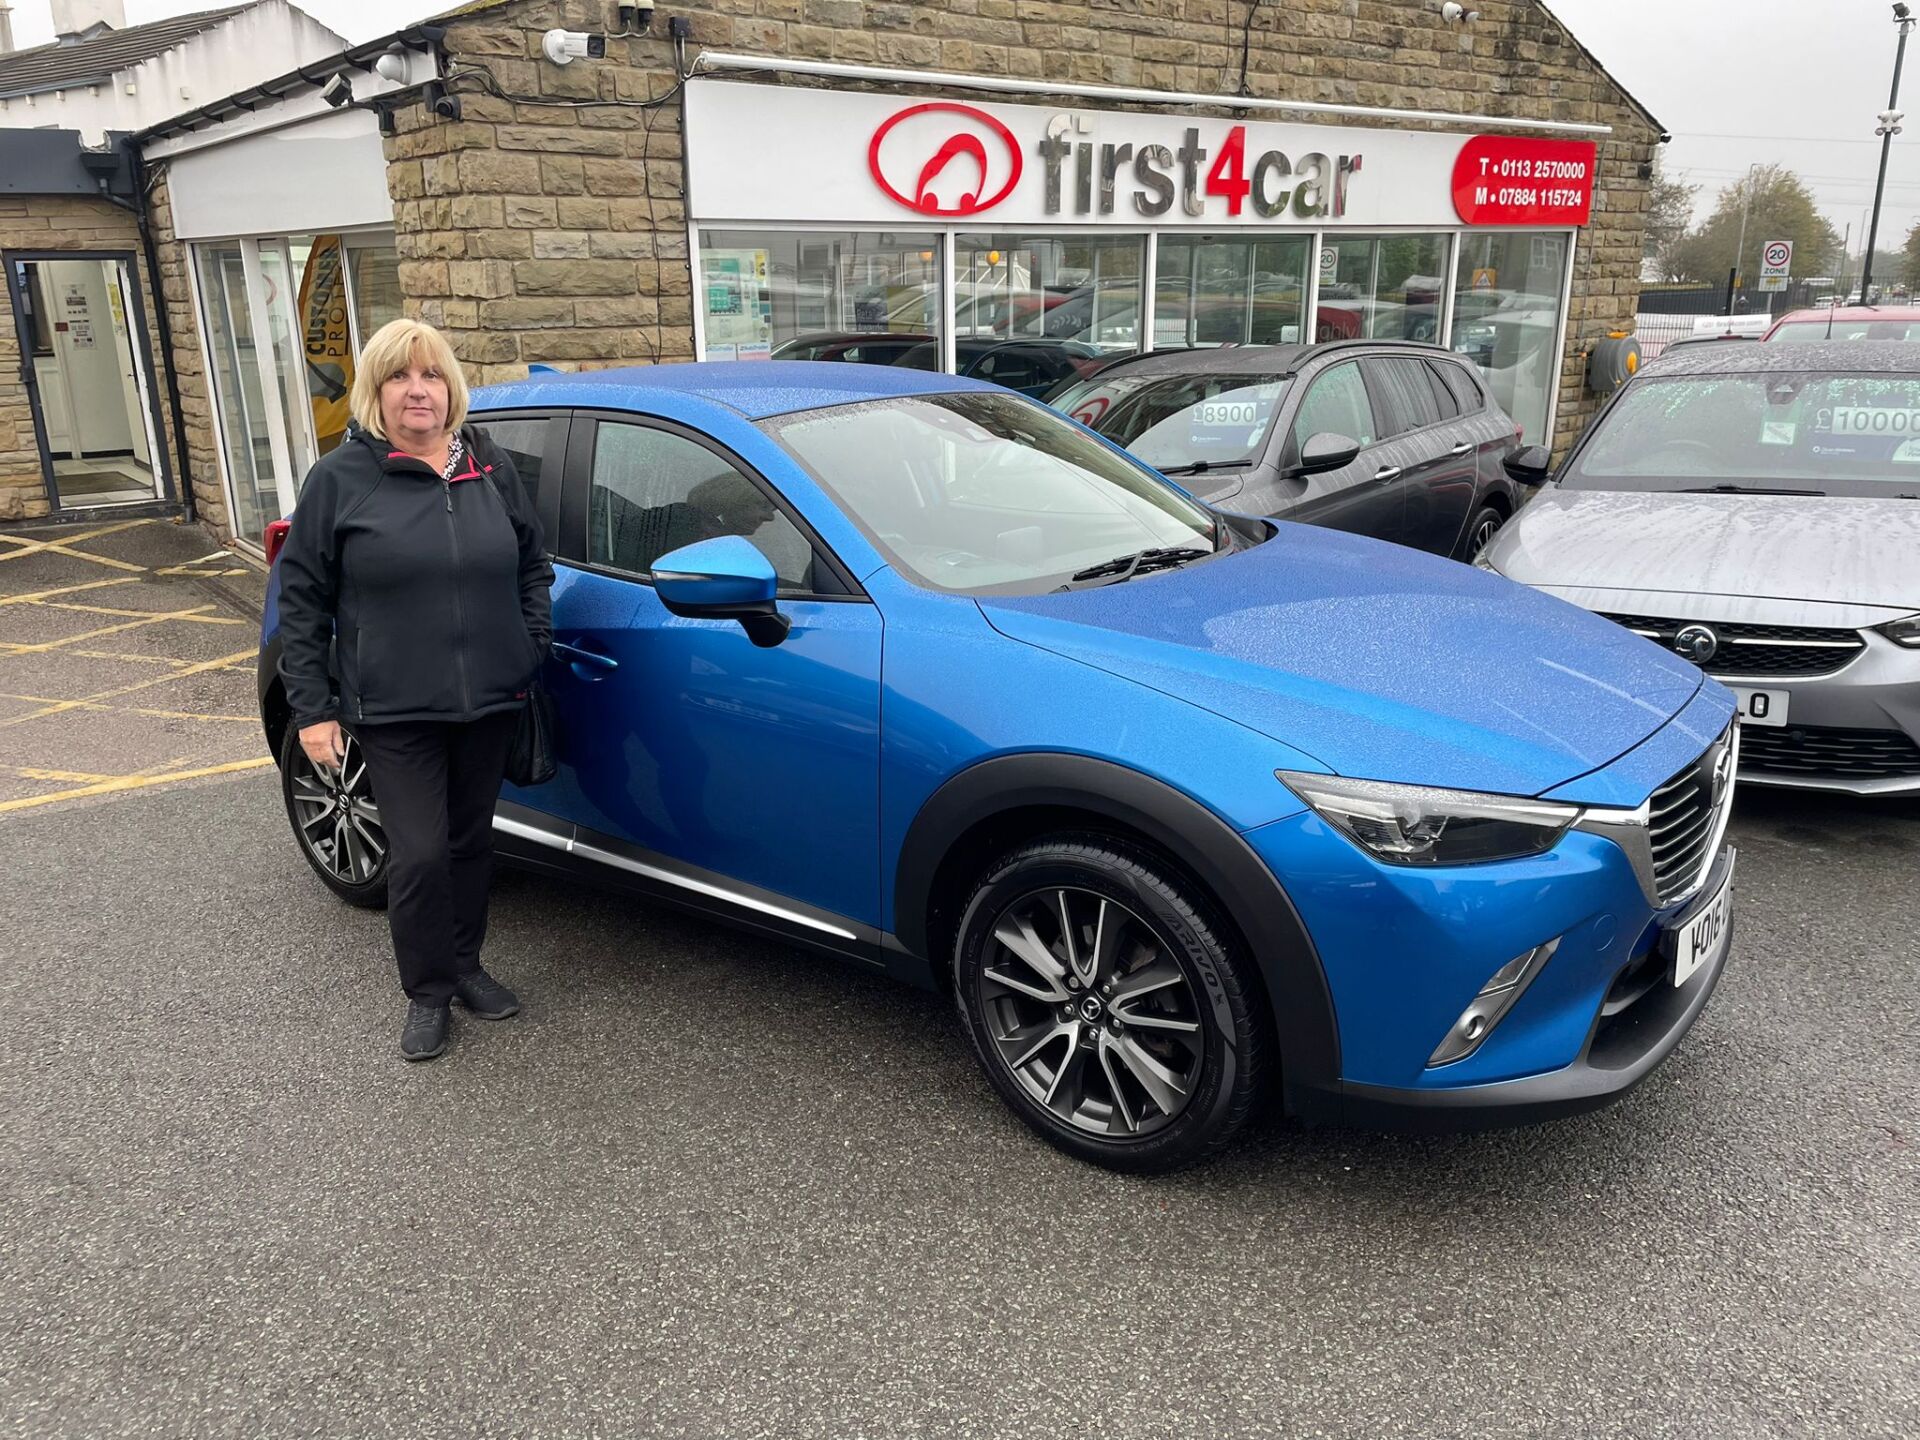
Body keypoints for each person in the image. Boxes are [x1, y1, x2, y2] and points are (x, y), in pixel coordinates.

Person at [276, 318, 553, 1061]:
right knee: (421, 853)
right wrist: (313, 709)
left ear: (450, 388)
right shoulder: (342, 478)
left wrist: (531, 645)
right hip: (395, 709)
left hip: (490, 700)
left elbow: (532, 563)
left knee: (469, 844)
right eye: (399, 377)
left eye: (430, 375)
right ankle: (428, 992)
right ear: (377, 392)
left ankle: (466, 966)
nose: (417, 390)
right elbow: (301, 598)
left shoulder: (489, 466)